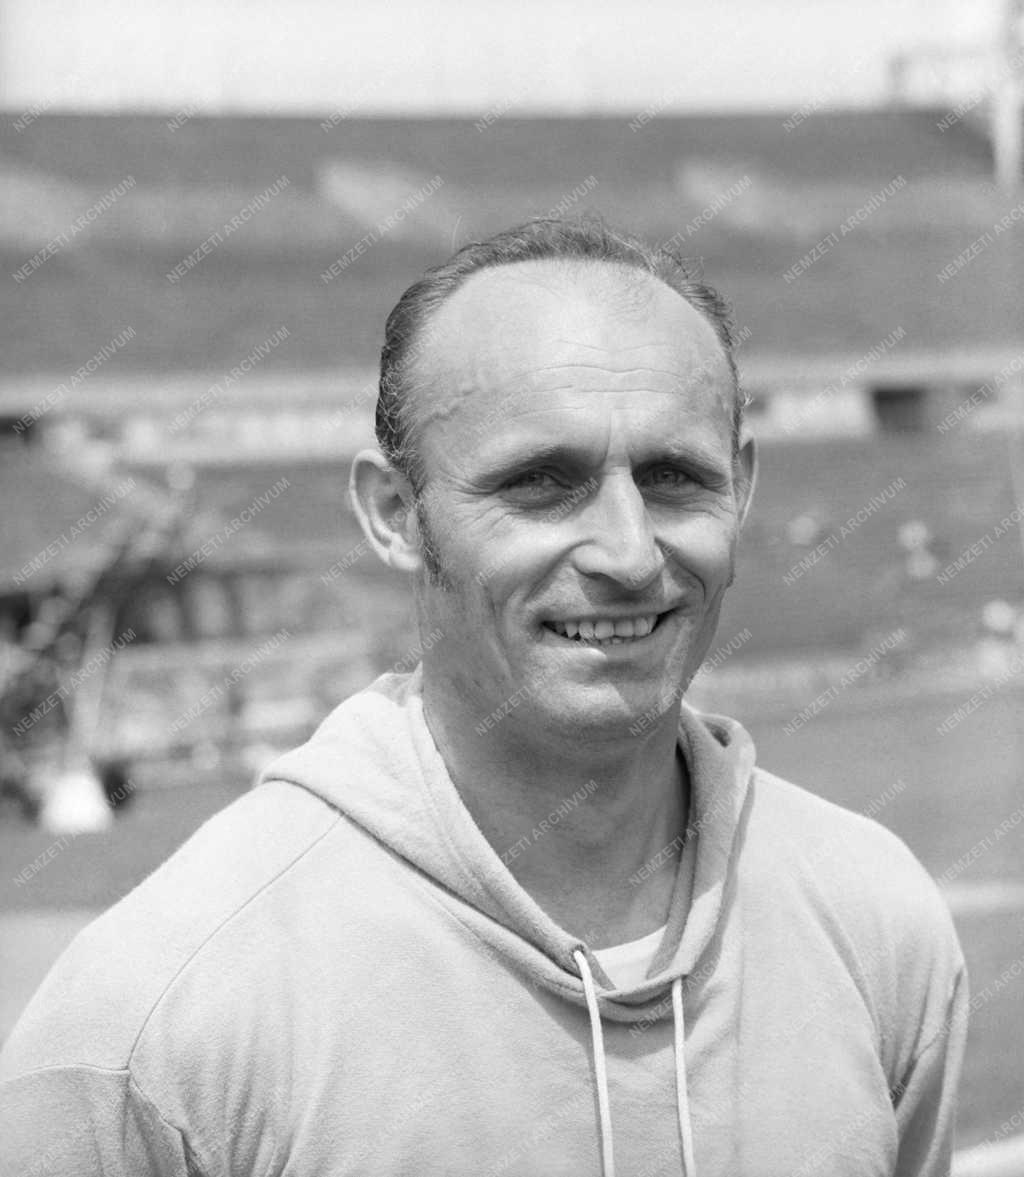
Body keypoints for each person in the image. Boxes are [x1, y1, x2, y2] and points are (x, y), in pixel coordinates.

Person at [0, 217, 967, 1176]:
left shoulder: (876, 920)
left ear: (741, 489)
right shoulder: (154, 1025)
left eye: (675, 478)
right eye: (541, 482)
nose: (630, 552)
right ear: (394, 515)